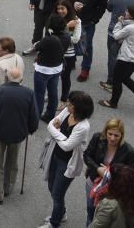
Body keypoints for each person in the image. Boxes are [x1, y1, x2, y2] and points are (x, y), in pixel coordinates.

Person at [37, 90, 94, 228]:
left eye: (71, 103)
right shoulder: (68, 112)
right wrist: (60, 135)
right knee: (51, 186)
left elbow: (67, 147)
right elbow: (50, 124)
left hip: (67, 163)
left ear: (78, 108)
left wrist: (55, 132)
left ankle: (55, 222)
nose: (67, 104)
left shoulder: (83, 127)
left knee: (57, 194)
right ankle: (61, 212)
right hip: (55, 155)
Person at [0, 67, 39, 205]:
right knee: (12, 162)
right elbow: (34, 117)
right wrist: (31, 129)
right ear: (21, 79)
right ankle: (7, 188)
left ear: (7, 78)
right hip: (18, 134)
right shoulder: (29, 94)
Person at [84, 118, 134, 224]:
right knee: (91, 209)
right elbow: (87, 155)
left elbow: (133, 174)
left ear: (122, 135)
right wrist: (97, 169)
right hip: (93, 181)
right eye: (110, 134)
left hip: (113, 189)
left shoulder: (129, 151)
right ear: (105, 131)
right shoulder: (97, 138)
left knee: (104, 214)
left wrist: (112, 174)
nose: (112, 138)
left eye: (116, 135)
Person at [100, 4, 134, 111]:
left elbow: (116, 35)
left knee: (117, 80)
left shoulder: (130, 28)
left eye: (127, 12)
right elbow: (128, 26)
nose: (125, 13)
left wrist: (119, 22)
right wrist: (123, 21)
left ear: (131, 16)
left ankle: (113, 102)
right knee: (126, 79)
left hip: (127, 59)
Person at [70, 0, 109, 82]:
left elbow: (102, 8)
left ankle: (85, 69)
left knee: (87, 45)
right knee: (69, 40)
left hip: (88, 22)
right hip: (72, 18)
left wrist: (94, 20)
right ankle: (70, 61)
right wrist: (74, 2)